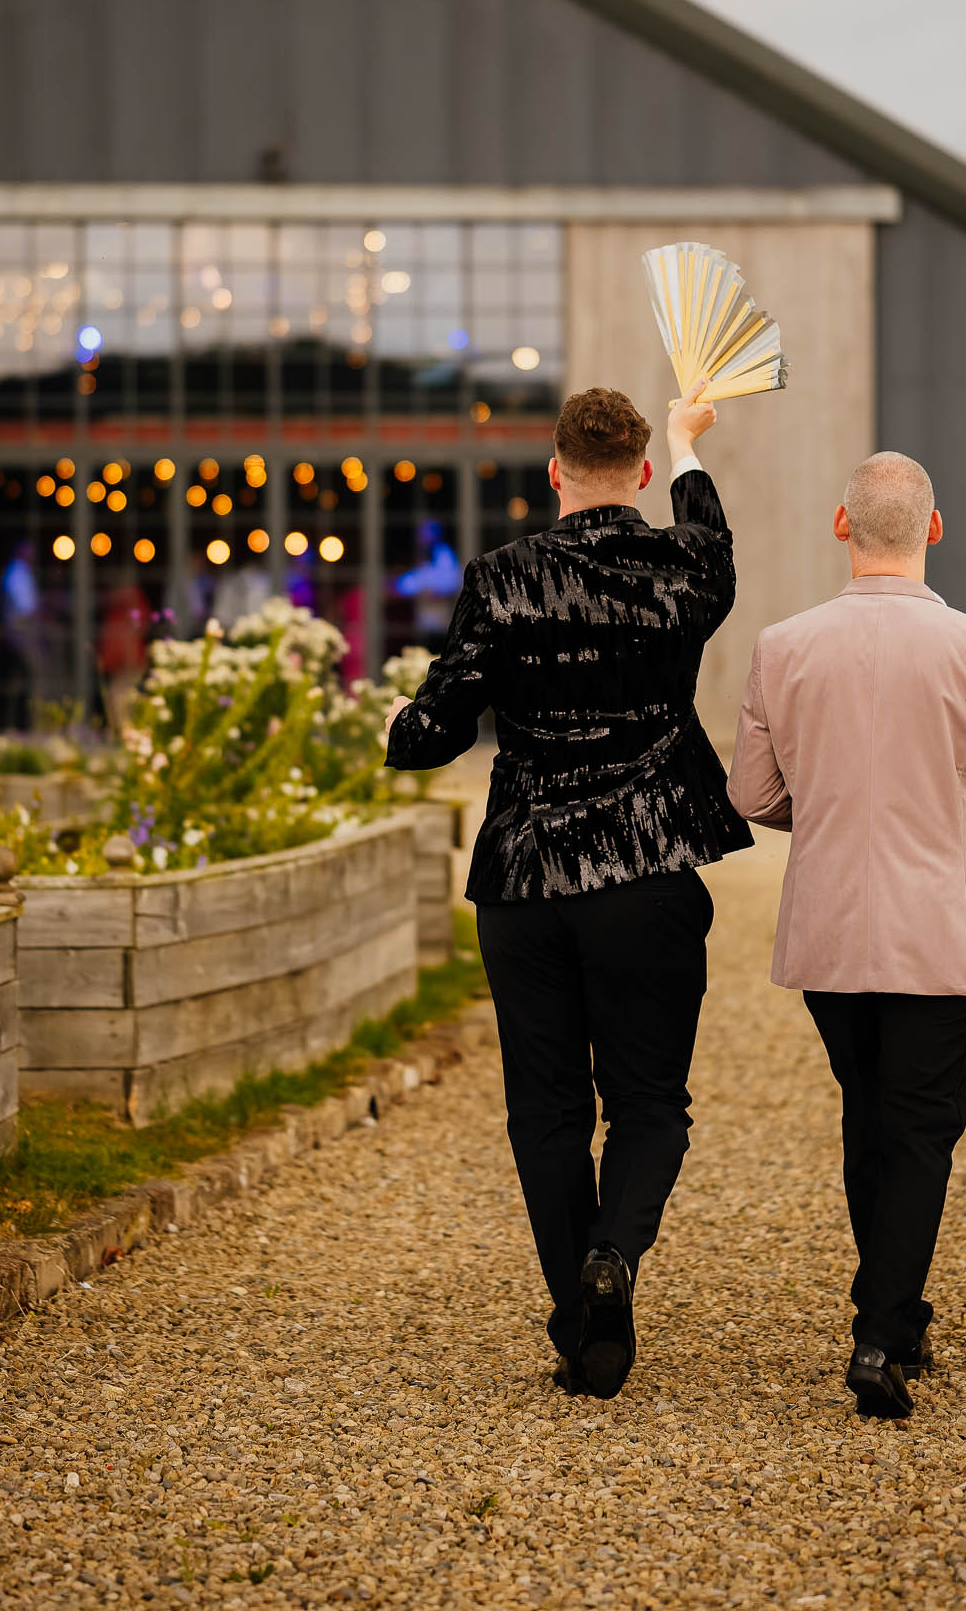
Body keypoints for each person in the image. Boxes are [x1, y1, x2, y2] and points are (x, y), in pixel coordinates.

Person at [384, 381, 752, 1399]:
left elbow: (435, 733)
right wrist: (688, 442)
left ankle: (579, 1319)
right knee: (650, 1101)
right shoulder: (684, 567)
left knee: (544, 1109)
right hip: (648, 870)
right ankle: (613, 1254)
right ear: (640, 473)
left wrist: (403, 723)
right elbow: (712, 533)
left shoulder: (501, 577)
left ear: (554, 471)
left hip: (526, 878)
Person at [728, 452, 966, 1419]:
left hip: (828, 926)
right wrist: (951, 820)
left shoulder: (781, 646)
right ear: (933, 529)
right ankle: (880, 1334)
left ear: (841, 525)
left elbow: (751, 794)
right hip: (937, 929)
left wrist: (832, 817)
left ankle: (896, 1314)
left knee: (869, 1114)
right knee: (917, 1132)